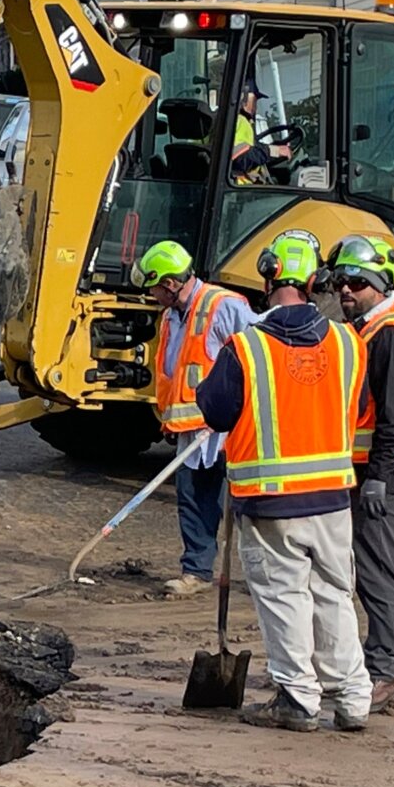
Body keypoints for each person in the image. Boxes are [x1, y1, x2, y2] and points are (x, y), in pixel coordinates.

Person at [196, 230, 371, 733]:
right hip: (333, 497)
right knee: (335, 593)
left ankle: (298, 697)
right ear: (315, 281)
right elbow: (355, 409)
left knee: (284, 595)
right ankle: (354, 698)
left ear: (267, 277)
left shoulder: (246, 348)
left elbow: (215, 409)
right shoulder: (347, 341)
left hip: (272, 503)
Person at [328, 235, 394, 712]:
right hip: (377, 471)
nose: (345, 290)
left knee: (378, 573)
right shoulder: (368, 329)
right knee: (370, 570)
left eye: (355, 282)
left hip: (391, 475)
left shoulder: (393, 333)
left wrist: (378, 476)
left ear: (379, 284)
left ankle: (388, 667)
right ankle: (380, 661)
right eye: (339, 281)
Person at [136, 240, 255, 598]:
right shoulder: (172, 316)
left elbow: (259, 355)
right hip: (191, 430)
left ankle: (268, 573)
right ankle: (197, 571)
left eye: (154, 288)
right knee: (194, 499)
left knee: (249, 503)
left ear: (170, 284)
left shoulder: (224, 306)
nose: (152, 295)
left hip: (230, 429)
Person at [229, 77, 291, 184]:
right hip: (240, 190)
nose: (255, 107)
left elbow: (248, 148)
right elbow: (241, 157)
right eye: (254, 101)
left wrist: (270, 149)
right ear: (243, 98)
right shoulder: (240, 122)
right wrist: (273, 151)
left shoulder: (230, 120)